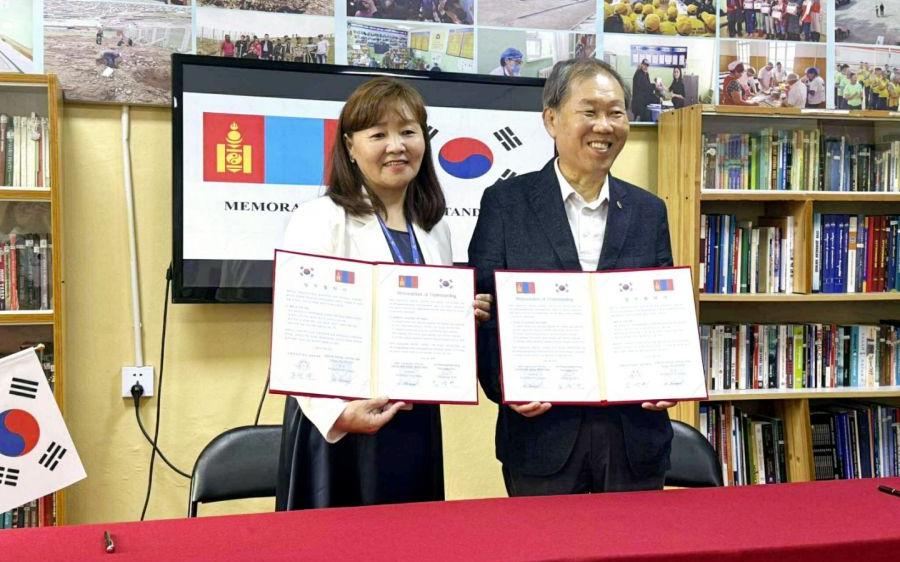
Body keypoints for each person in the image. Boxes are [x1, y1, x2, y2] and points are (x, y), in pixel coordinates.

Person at [275, 77, 491, 510]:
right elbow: (299, 331)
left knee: (412, 537)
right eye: (378, 135)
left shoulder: (434, 228)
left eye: (408, 131)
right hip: (339, 426)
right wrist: (337, 413)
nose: (397, 146)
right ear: (350, 147)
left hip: (413, 419)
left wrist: (459, 318)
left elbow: (424, 327)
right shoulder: (320, 219)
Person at [468, 58, 676, 498]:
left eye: (616, 112)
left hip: (634, 437)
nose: (604, 126)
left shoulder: (648, 210)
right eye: (590, 111)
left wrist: (669, 376)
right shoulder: (506, 204)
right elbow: (483, 313)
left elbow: (662, 316)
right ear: (551, 119)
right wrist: (505, 387)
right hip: (541, 435)